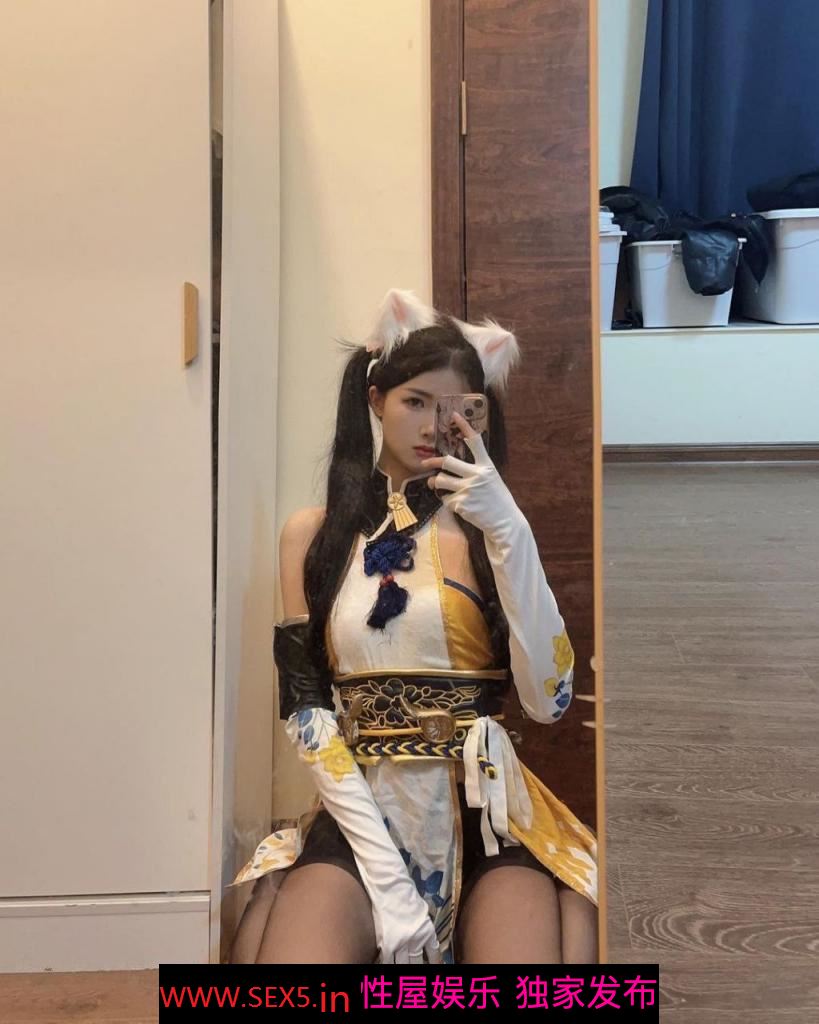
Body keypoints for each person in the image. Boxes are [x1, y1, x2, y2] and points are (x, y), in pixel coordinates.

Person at [227, 289, 598, 965]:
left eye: (453, 408)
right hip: (359, 803)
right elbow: (307, 712)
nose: (433, 425)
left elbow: (551, 701)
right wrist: (387, 879)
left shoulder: (492, 532)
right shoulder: (311, 536)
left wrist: (510, 530)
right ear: (376, 400)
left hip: (486, 806)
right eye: (415, 402)